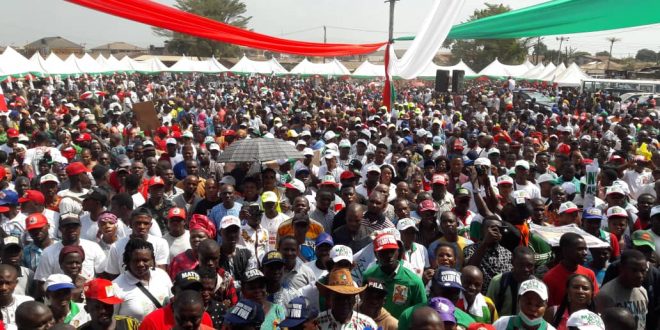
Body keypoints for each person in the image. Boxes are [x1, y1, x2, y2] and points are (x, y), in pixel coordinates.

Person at [361, 233, 427, 318]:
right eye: (384, 252)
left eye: (392, 251)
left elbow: (422, 311)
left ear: (398, 251)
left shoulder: (414, 281)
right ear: (376, 254)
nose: (389, 255)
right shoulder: (368, 275)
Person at [113, 238, 173, 321]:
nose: (141, 264)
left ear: (152, 260)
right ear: (127, 260)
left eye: (145, 260)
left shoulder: (162, 275)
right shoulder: (115, 287)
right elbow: (112, 319)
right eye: (136, 260)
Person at [139, 270, 215, 330]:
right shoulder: (152, 321)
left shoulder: (205, 318)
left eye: (195, 290)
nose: (190, 294)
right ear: (173, 291)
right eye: (185, 289)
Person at [105, 208, 169, 277]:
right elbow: (113, 274)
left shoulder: (161, 243)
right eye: (138, 223)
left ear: (150, 225)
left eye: (146, 223)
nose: (142, 226)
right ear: (130, 223)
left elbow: (161, 272)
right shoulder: (116, 246)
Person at [595, 249, 649, 330]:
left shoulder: (642, 291)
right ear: (621, 268)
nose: (640, 275)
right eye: (634, 270)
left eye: (643, 271)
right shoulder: (606, 294)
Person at [543, 233, 599, 307]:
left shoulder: (589, 274)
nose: (585, 253)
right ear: (565, 250)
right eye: (580, 249)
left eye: (585, 249)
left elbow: (595, 300)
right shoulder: (550, 278)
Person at [464, 217, 513, 293]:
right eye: (492, 228)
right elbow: (470, 268)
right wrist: (485, 242)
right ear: (482, 231)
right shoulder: (471, 249)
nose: (495, 231)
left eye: (498, 229)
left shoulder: (508, 254)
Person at [487, 246, 536, 317]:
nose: (526, 269)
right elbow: (489, 308)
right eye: (521, 265)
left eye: (530, 265)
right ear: (512, 262)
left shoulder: (536, 286)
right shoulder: (499, 281)